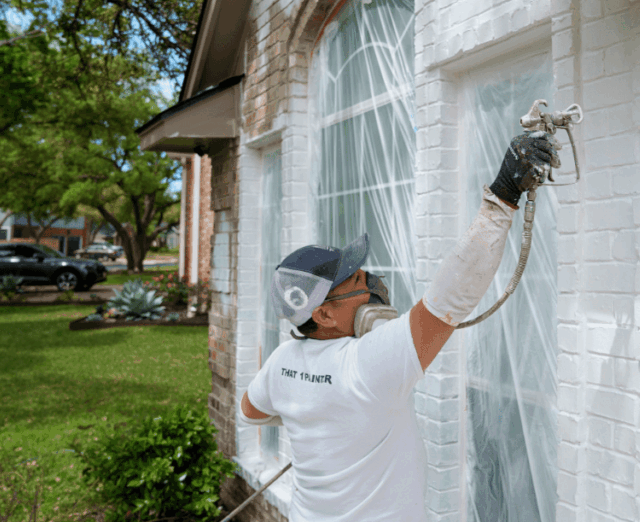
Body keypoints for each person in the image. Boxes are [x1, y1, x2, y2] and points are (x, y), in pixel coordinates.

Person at [239, 131, 558, 521]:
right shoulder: (367, 362)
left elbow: (249, 413)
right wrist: (505, 192)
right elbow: (451, 296)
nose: (372, 283)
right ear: (322, 315)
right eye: (357, 282)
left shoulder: (281, 361)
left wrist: (310, 414)